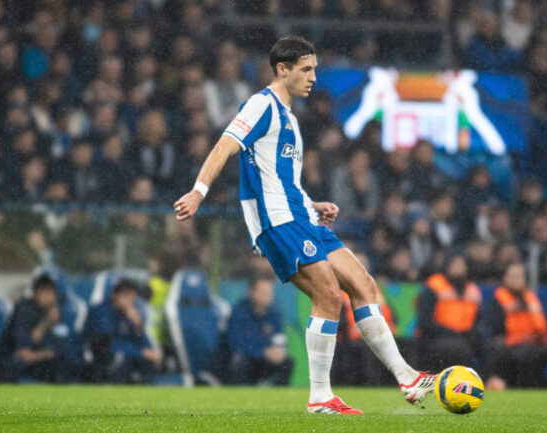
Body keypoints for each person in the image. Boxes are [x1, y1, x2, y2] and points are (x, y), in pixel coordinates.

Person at [173, 37, 433, 414]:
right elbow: (223, 146)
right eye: (306, 69)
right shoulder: (262, 105)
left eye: (314, 69)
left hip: (301, 216)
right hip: (278, 222)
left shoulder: (290, 119)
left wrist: (313, 204)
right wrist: (199, 191)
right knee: (327, 295)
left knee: (364, 285)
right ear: (282, 69)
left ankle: (407, 378)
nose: (313, 77)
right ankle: (320, 397)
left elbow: (281, 179)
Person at [476, 263, 547, 388]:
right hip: (508, 344)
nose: (518, 280)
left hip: (532, 344)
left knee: (546, 353)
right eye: (514, 276)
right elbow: (494, 327)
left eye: (520, 276)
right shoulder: (498, 299)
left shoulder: (531, 299)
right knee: (495, 350)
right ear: (505, 278)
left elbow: (543, 327)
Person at [0, 276, 74, 382]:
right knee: (16, 363)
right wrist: (46, 322)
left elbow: (61, 347)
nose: (49, 297)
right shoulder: (25, 309)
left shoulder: (55, 311)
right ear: (35, 294)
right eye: (45, 293)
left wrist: (43, 355)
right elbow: (25, 348)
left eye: (51, 293)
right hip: (11, 357)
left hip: (40, 358)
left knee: (64, 365)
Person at [85, 280, 161, 384]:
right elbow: (106, 343)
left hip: (128, 352)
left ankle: (145, 393)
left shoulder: (131, 312)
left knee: (149, 361)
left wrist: (138, 326)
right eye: (126, 296)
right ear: (114, 295)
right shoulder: (101, 311)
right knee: (120, 357)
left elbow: (141, 343)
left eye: (132, 298)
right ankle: (110, 389)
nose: (129, 301)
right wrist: (140, 353)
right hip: (98, 355)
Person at [417, 254, 482, 372]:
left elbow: (479, 321)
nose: (458, 269)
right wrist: (449, 333)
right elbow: (424, 321)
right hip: (438, 337)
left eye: (462, 265)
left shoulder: (473, 291)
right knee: (453, 348)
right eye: (455, 265)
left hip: (465, 338)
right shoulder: (434, 286)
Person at [226, 277, 293, 385]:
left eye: (269, 292)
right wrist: (262, 352)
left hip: (266, 360)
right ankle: (239, 392)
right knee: (238, 361)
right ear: (251, 293)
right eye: (262, 292)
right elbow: (236, 344)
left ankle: (275, 392)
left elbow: (278, 338)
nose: (266, 295)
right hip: (248, 358)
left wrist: (279, 351)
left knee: (287, 362)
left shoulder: (275, 313)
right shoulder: (239, 312)